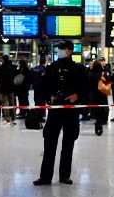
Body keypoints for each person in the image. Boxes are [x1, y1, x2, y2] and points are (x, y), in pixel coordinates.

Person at [34, 41, 84, 186]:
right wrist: (50, 96)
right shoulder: (52, 68)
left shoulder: (78, 69)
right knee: (49, 142)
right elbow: (42, 86)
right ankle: (45, 176)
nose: (60, 51)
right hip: (55, 110)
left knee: (68, 143)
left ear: (69, 51)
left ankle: (64, 175)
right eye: (59, 49)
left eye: (62, 49)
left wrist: (77, 96)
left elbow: (85, 87)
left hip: (71, 110)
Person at [0, 55, 18, 125]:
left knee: (5, 103)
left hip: (3, 87)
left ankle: (7, 119)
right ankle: (14, 119)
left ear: (3, 60)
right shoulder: (12, 67)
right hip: (11, 87)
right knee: (12, 103)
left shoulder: (1, 68)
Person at [89, 57, 109, 136]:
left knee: (96, 112)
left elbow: (88, 85)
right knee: (101, 111)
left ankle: (97, 127)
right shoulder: (103, 74)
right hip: (102, 94)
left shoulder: (90, 74)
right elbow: (108, 82)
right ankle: (99, 127)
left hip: (94, 95)